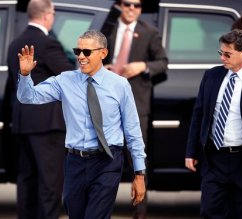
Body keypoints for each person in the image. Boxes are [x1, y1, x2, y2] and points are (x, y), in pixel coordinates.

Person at [16, 30, 146, 219]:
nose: (80, 57)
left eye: (87, 52)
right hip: (74, 163)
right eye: (78, 51)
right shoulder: (64, 80)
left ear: (103, 53)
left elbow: (133, 131)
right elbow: (28, 97)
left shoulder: (120, 85)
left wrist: (139, 174)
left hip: (107, 161)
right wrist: (25, 74)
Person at [4, 0, 74, 218]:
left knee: (27, 180)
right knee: (50, 183)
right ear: (47, 16)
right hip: (48, 124)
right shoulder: (47, 43)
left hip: (23, 122)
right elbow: (70, 78)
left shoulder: (15, 43)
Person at [103, 0, 168, 218]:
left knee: (138, 160)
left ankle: (140, 212)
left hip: (136, 105)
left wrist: (143, 66)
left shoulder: (150, 32)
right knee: (102, 159)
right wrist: (102, 68)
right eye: (127, 3)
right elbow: (91, 54)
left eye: (137, 5)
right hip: (106, 103)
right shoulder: (109, 27)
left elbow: (163, 62)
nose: (132, 8)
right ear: (120, 5)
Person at [185, 29, 242, 219]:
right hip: (214, 158)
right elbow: (198, 115)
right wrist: (191, 152)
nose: (223, 58)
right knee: (209, 210)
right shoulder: (212, 76)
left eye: (228, 54)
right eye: (221, 53)